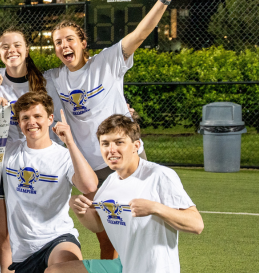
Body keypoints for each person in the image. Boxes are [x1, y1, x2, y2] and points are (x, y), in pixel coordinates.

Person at [46, 0, 169, 258]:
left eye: (69, 39)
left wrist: (162, 3)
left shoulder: (107, 62)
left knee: (140, 229)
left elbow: (140, 34)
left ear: (82, 43)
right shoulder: (55, 79)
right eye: (58, 42)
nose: (63, 45)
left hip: (126, 159)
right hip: (91, 168)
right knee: (107, 237)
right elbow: (20, 74)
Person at [46, 114, 204, 273]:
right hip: (123, 267)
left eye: (119, 142)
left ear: (136, 145)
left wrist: (156, 208)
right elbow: (97, 225)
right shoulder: (109, 182)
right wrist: (80, 211)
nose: (111, 149)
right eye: (105, 143)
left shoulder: (159, 175)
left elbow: (196, 225)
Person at [0, 27, 65, 272]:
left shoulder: (45, 82)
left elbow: (54, 121)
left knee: (40, 232)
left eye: (17, 45)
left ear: (26, 50)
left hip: (37, 164)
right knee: (3, 237)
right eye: (5, 46)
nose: (11, 50)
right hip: (3, 164)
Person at [0, 92, 98, 273]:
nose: (32, 122)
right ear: (19, 122)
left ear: (50, 119)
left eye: (38, 116)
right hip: (23, 252)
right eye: (25, 118)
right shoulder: (9, 152)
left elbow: (89, 186)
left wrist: (70, 143)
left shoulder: (64, 156)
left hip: (57, 238)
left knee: (64, 267)